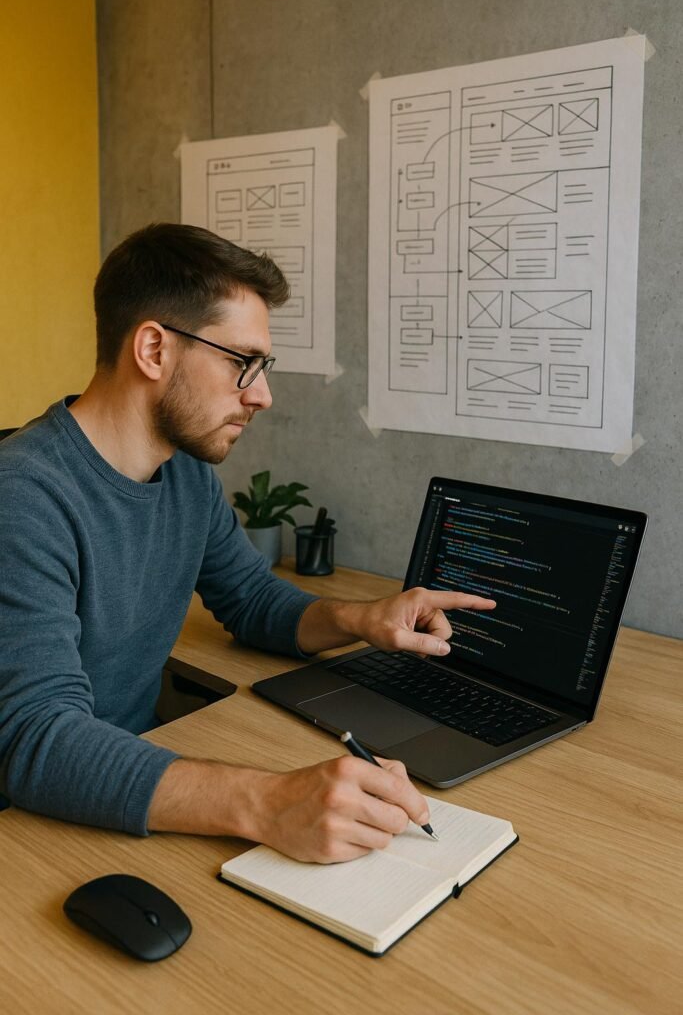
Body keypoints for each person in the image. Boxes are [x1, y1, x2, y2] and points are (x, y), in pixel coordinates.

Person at [0, 224, 495, 863]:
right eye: (243, 363)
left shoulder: (183, 474)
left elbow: (253, 601)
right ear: (153, 349)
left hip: (136, 787)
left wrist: (360, 619)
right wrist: (268, 803)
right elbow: (36, 740)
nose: (262, 394)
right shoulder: (24, 494)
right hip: (36, 824)